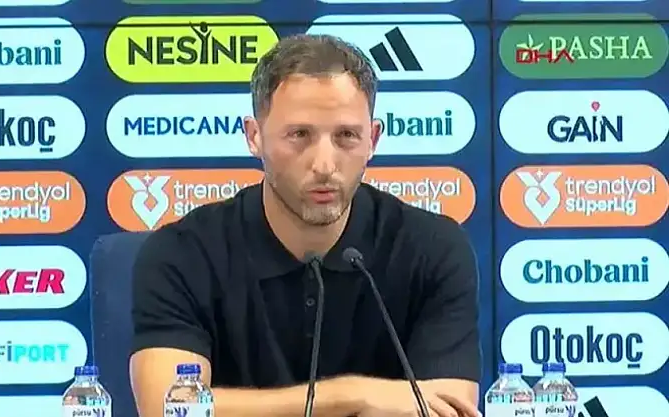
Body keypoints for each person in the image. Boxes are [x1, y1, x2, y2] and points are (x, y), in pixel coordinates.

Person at [129, 34, 482, 417]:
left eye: (346, 136)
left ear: (373, 140)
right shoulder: (183, 254)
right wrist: (352, 395)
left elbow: (450, 409)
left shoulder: (431, 248)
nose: (325, 165)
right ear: (254, 137)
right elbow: (169, 409)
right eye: (300, 135)